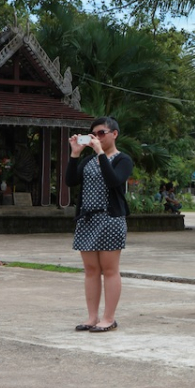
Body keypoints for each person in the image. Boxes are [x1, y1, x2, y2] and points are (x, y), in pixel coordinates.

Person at [66, 116, 134, 333]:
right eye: (94, 134)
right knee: (91, 270)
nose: (97, 137)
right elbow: (70, 181)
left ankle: (109, 318)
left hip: (110, 219)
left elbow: (114, 180)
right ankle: (92, 317)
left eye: (102, 133)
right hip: (87, 219)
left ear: (114, 134)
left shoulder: (122, 159)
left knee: (110, 269)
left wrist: (100, 153)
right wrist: (75, 154)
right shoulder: (88, 161)